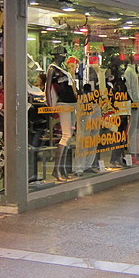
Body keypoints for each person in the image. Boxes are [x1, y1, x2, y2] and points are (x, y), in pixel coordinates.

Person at [45, 46, 78, 182]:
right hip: (63, 103)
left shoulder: (63, 70)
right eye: (62, 55)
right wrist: (50, 107)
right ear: (57, 55)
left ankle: (62, 168)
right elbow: (47, 88)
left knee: (69, 136)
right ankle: (56, 169)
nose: (63, 57)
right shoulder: (52, 69)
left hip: (71, 103)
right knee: (66, 135)